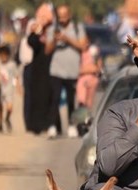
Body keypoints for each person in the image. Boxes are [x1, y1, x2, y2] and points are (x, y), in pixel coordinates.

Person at [45, 5, 87, 138]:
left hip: (72, 70)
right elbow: (47, 50)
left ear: (69, 15)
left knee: (70, 100)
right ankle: (52, 126)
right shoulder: (52, 29)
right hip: (56, 69)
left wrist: (67, 39)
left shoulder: (77, 28)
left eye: (64, 15)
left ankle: (71, 125)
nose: (62, 18)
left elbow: (83, 46)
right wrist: (55, 40)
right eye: (60, 15)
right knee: (55, 98)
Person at [25, 20, 53, 134]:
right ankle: (36, 126)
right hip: (38, 72)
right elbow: (31, 42)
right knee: (36, 99)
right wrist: (33, 31)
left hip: (52, 71)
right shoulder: (37, 38)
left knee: (49, 99)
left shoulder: (53, 37)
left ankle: (49, 125)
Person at [75, 36, 101, 109]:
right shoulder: (78, 53)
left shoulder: (93, 51)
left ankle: (87, 114)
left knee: (89, 101)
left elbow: (98, 65)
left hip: (92, 78)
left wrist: (96, 69)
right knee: (81, 99)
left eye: (86, 42)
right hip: (82, 78)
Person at [0, 44, 17, 133]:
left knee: (9, 107)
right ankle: (0, 124)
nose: (3, 57)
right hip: (0, 89)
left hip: (9, 88)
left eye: (5, 55)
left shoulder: (12, 64)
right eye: (1, 55)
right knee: (0, 107)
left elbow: (15, 76)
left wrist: (16, 86)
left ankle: (7, 118)